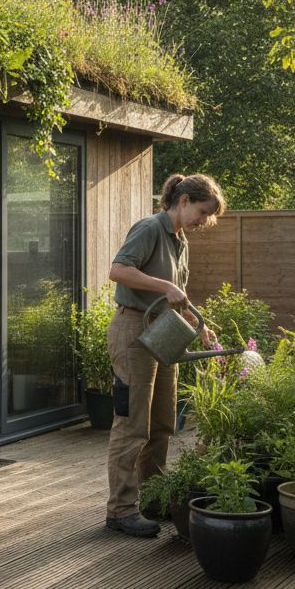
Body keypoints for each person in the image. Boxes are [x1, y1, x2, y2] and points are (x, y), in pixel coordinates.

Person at [104, 173, 226, 537]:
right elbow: (117, 270)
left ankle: (154, 498)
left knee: (161, 422)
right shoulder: (150, 228)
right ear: (184, 199)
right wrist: (165, 285)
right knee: (132, 423)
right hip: (134, 332)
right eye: (202, 212)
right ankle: (120, 511)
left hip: (164, 332)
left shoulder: (180, 241)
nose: (203, 222)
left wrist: (198, 324)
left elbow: (179, 294)